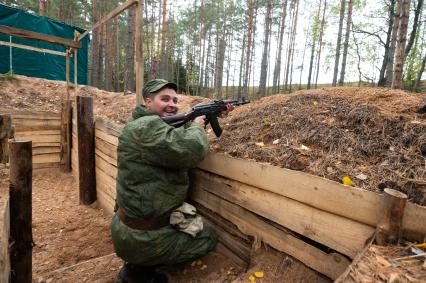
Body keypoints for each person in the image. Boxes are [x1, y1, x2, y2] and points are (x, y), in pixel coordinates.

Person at [112, 79, 223, 283]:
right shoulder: (146, 127)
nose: (172, 104)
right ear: (148, 102)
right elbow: (191, 149)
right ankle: (141, 272)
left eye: (174, 99)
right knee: (208, 238)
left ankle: (138, 264)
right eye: (164, 99)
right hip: (142, 238)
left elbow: (166, 139)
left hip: (127, 228)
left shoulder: (139, 123)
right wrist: (197, 126)